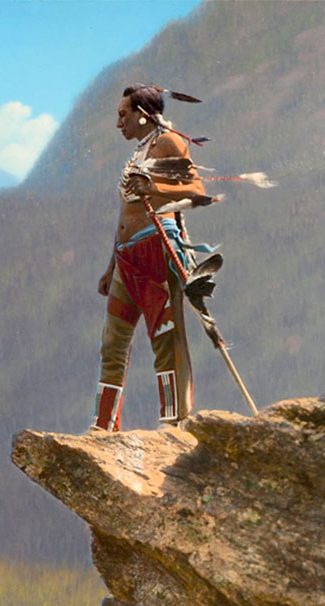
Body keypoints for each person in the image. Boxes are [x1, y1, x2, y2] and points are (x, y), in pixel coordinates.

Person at [91, 83, 208, 432]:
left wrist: (154, 189)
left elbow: (196, 191)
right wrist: (110, 266)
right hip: (126, 259)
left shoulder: (169, 141)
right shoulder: (141, 149)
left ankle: (173, 423)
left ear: (143, 115)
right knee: (113, 343)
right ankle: (103, 426)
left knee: (164, 342)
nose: (118, 124)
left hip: (156, 250)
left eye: (123, 115)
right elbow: (125, 211)